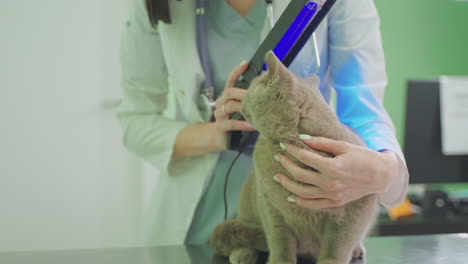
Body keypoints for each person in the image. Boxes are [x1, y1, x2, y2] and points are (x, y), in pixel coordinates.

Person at [117, 0, 409, 246]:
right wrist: (221, 134)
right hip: (194, 227)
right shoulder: (157, 5)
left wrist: (385, 168)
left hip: (303, 222)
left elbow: (364, 109)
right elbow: (135, 123)